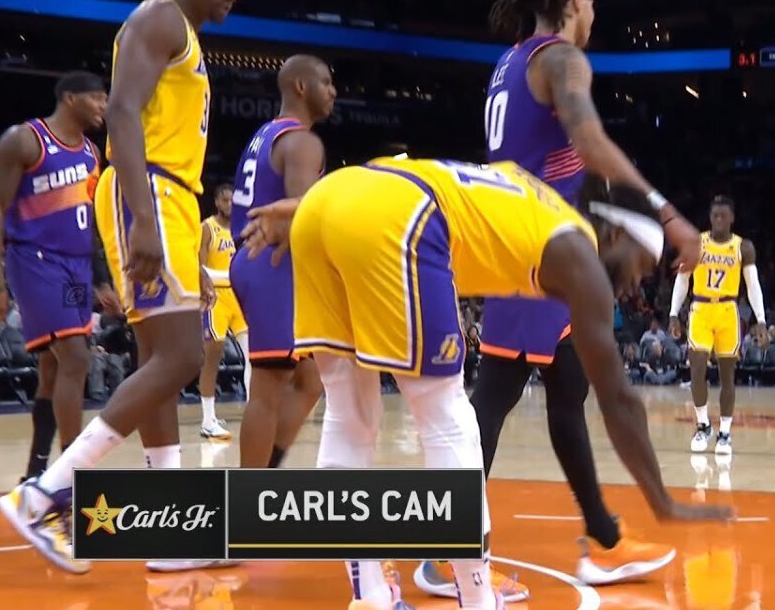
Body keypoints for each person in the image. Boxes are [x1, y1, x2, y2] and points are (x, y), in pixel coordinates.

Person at [239, 157, 735, 610]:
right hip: (400, 219)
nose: (635, 284)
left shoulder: (528, 196)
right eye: (640, 266)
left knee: (349, 413)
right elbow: (618, 399)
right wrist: (662, 500)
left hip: (328, 203)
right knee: (447, 417)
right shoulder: (578, 250)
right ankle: (476, 598)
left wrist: (315, 207)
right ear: (614, 233)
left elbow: (423, 177)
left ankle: (369, 596)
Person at [413, 0, 704, 599]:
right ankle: (443, 551)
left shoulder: (511, 61)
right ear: (573, 2)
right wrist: (666, 212)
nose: (595, 10)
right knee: (493, 397)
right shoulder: (560, 57)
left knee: (567, 387)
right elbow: (590, 143)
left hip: (529, 237)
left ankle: (604, 538)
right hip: (527, 242)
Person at [0, 0, 240, 575]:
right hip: (150, 190)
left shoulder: (180, 32)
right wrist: (146, 220)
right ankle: (46, 493)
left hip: (165, 197)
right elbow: (124, 113)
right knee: (182, 356)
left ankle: (169, 532)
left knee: (160, 362)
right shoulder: (161, 17)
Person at [0, 71, 120, 485]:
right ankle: (70, 477)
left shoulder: (91, 153)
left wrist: (101, 280)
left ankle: (36, 471)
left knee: (54, 368)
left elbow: (89, 220)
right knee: (76, 358)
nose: (104, 107)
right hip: (35, 261)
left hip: (76, 267)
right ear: (71, 97)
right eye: (98, 98)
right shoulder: (24, 140)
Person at [230, 54, 333, 469]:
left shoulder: (266, 133)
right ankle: (246, 495)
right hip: (273, 261)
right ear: (302, 87)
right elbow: (305, 209)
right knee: (269, 386)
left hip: (254, 260)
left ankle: (266, 471)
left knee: (311, 379)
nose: (334, 91)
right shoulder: (303, 141)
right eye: (326, 82)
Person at [670, 195, 766, 456]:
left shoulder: (743, 247)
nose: (719, 220)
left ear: (732, 218)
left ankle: (724, 432)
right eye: (715, 216)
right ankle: (703, 425)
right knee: (697, 369)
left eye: (724, 216)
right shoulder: (696, 243)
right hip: (701, 309)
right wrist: (673, 313)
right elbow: (682, 279)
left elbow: (753, 286)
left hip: (727, 311)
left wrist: (761, 320)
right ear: (710, 218)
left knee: (727, 376)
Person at [197, 182, 247, 440]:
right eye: (225, 200)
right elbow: (200, 264)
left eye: (233, 200)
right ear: (217, 202)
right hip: (215, 295)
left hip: (239, 294)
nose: (230, 204)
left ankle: (254, 412)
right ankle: (208, 420)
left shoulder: (241, 228)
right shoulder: (208, 227)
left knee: (253, 356)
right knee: (212, 357)